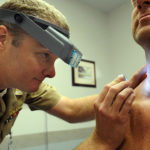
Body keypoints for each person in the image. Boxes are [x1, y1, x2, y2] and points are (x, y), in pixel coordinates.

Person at [0, 0, 146, 149]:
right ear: (2, 38)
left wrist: (131, 91)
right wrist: (101, 141)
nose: (52, 73)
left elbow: (71, 109)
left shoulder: (21, 86)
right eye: (44, 55)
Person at [76, 0, 150, 149]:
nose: (139, 3)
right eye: (134, 1)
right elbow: (70, 109)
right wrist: (100, 141)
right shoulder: (123, 102)